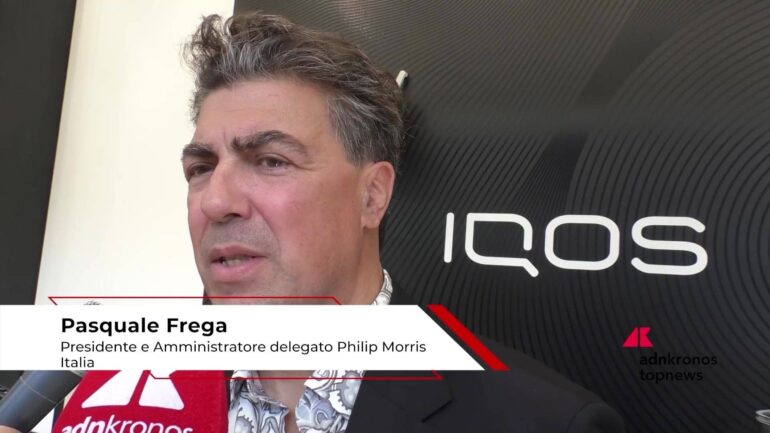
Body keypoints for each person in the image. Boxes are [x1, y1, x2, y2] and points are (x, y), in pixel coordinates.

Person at [0, 11, 624, 433]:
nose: (216, 202)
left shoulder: (538, 420)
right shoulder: (113, 394)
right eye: (201, 167)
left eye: (270, 161)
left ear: (372, 196)